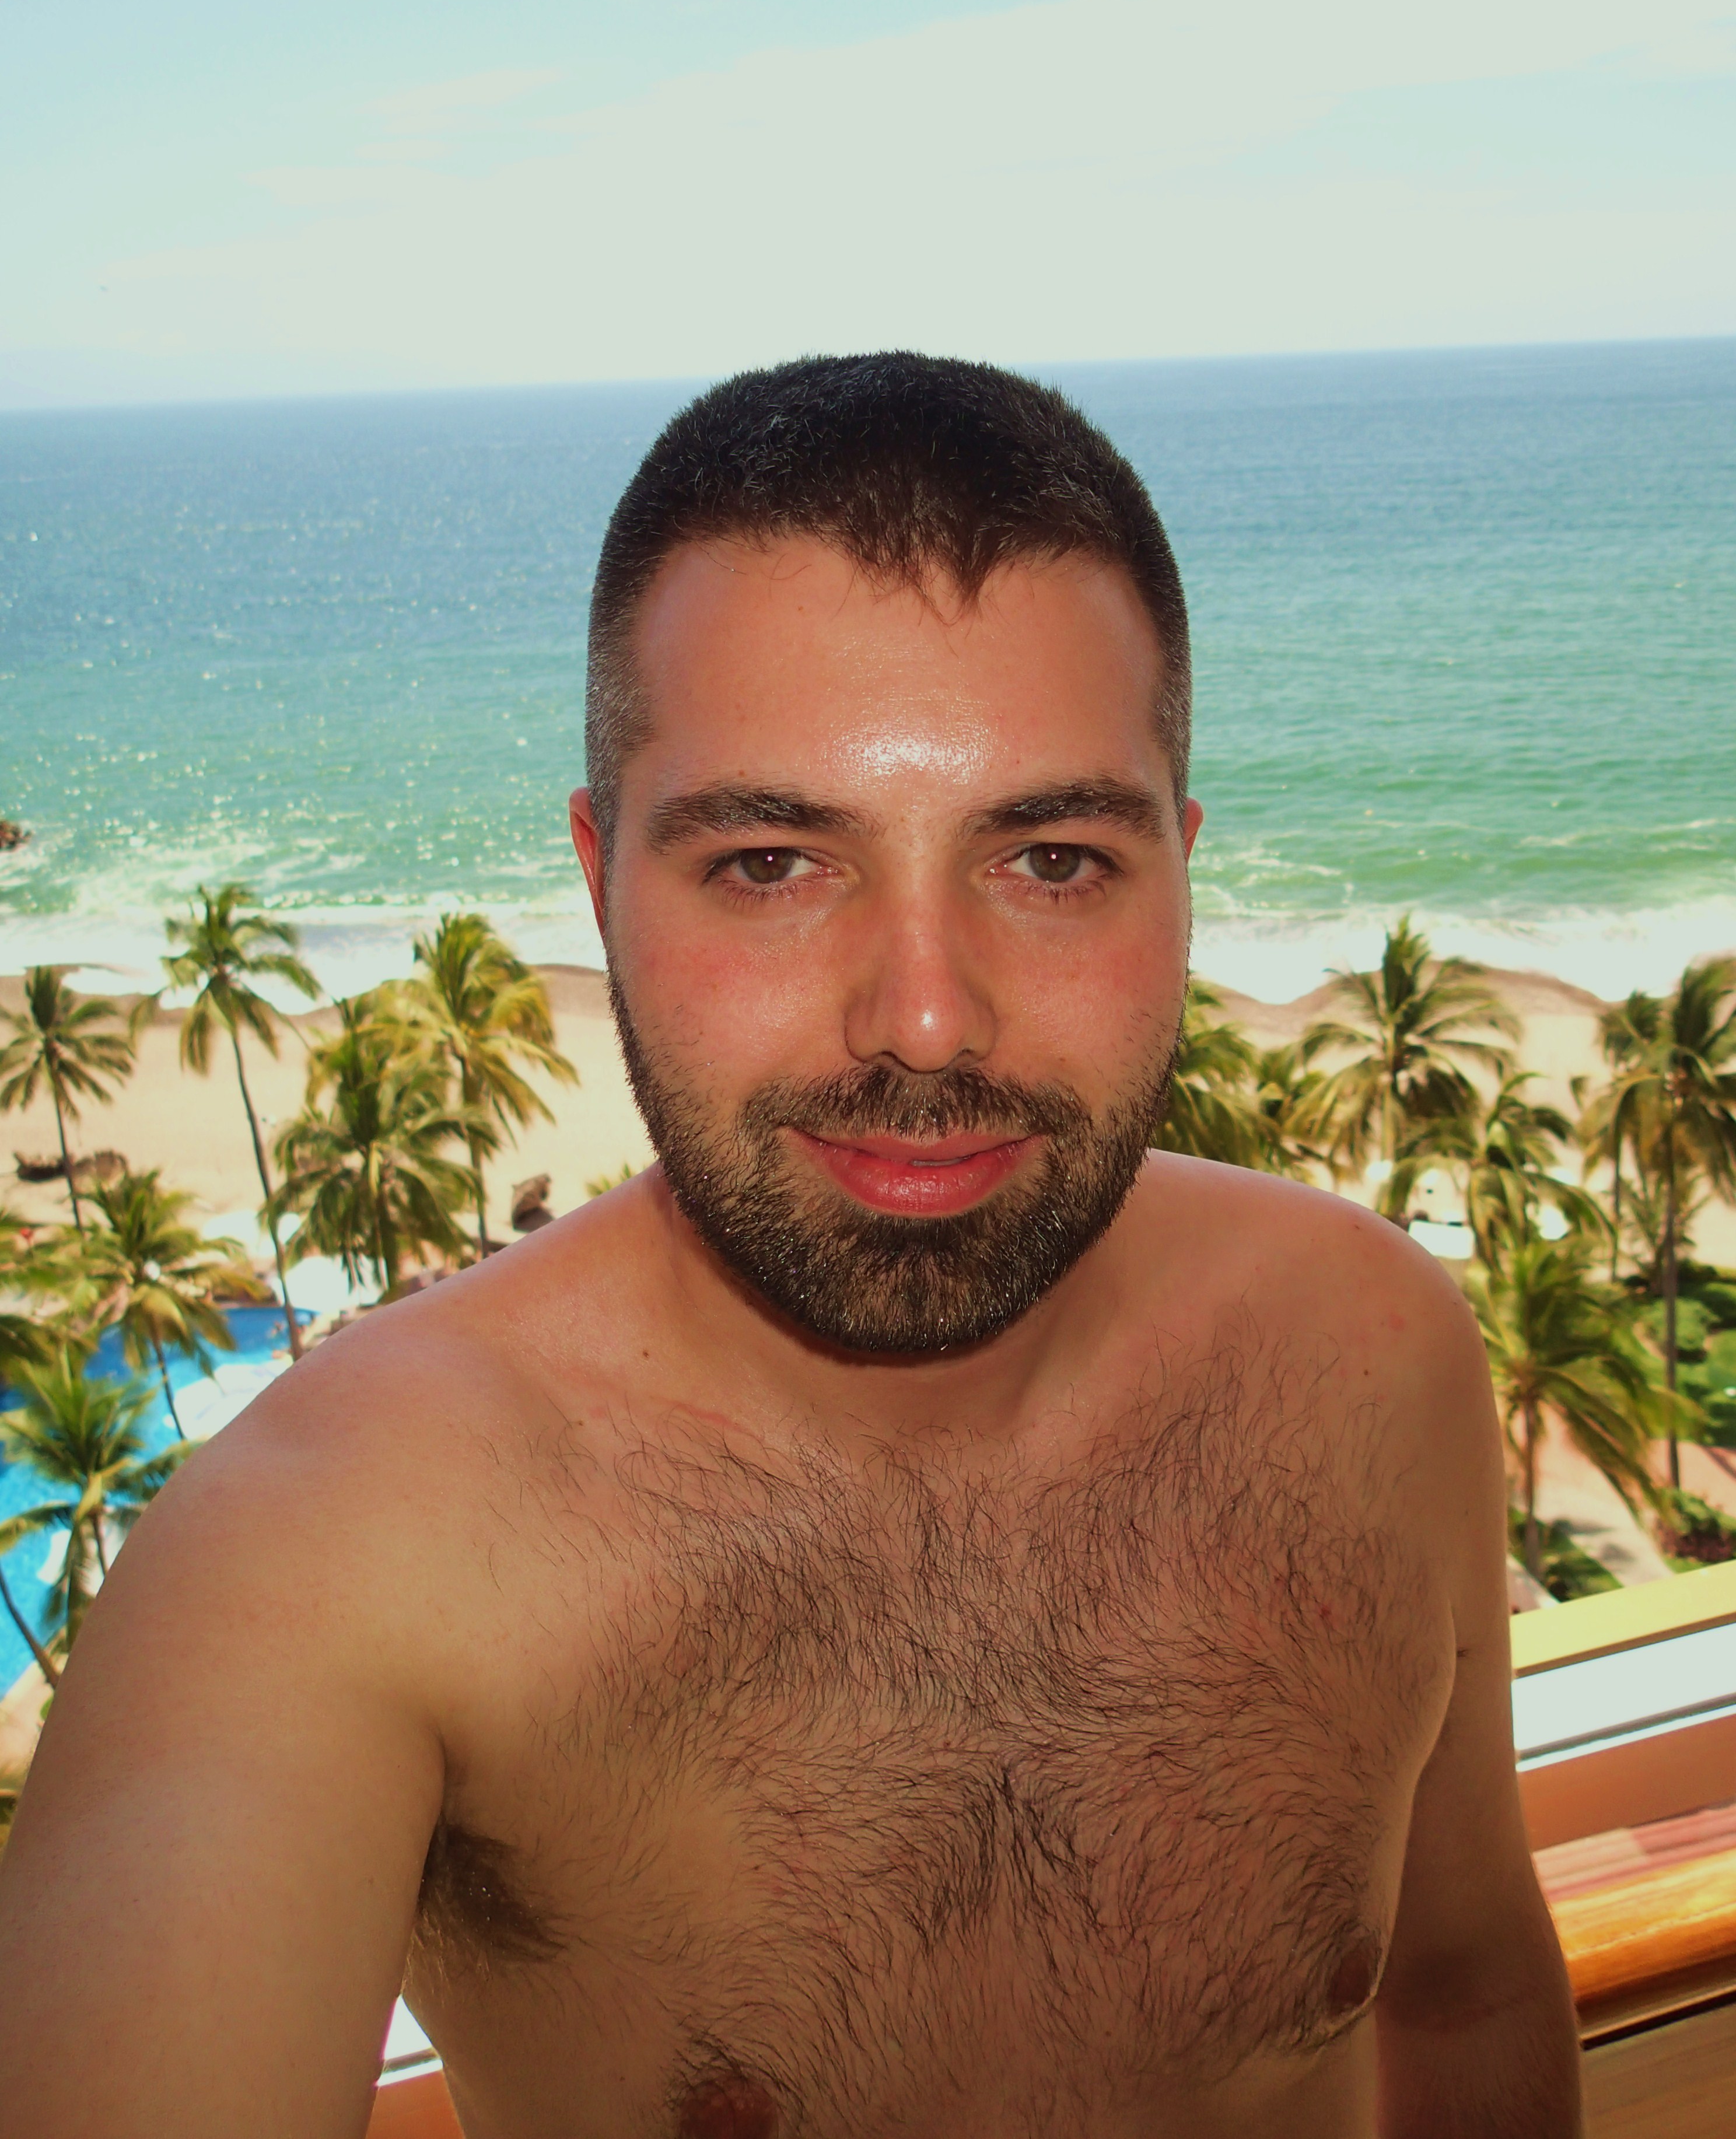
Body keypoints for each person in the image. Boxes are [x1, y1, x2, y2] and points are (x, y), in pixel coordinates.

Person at [0, 355, 1580, 2137]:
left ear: (1182, 869)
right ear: (600, 879)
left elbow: (1464, 1991)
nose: (926, 1020)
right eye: (769, 863)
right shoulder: (334, 1551)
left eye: (1053, 859)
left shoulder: (1372, 1353)